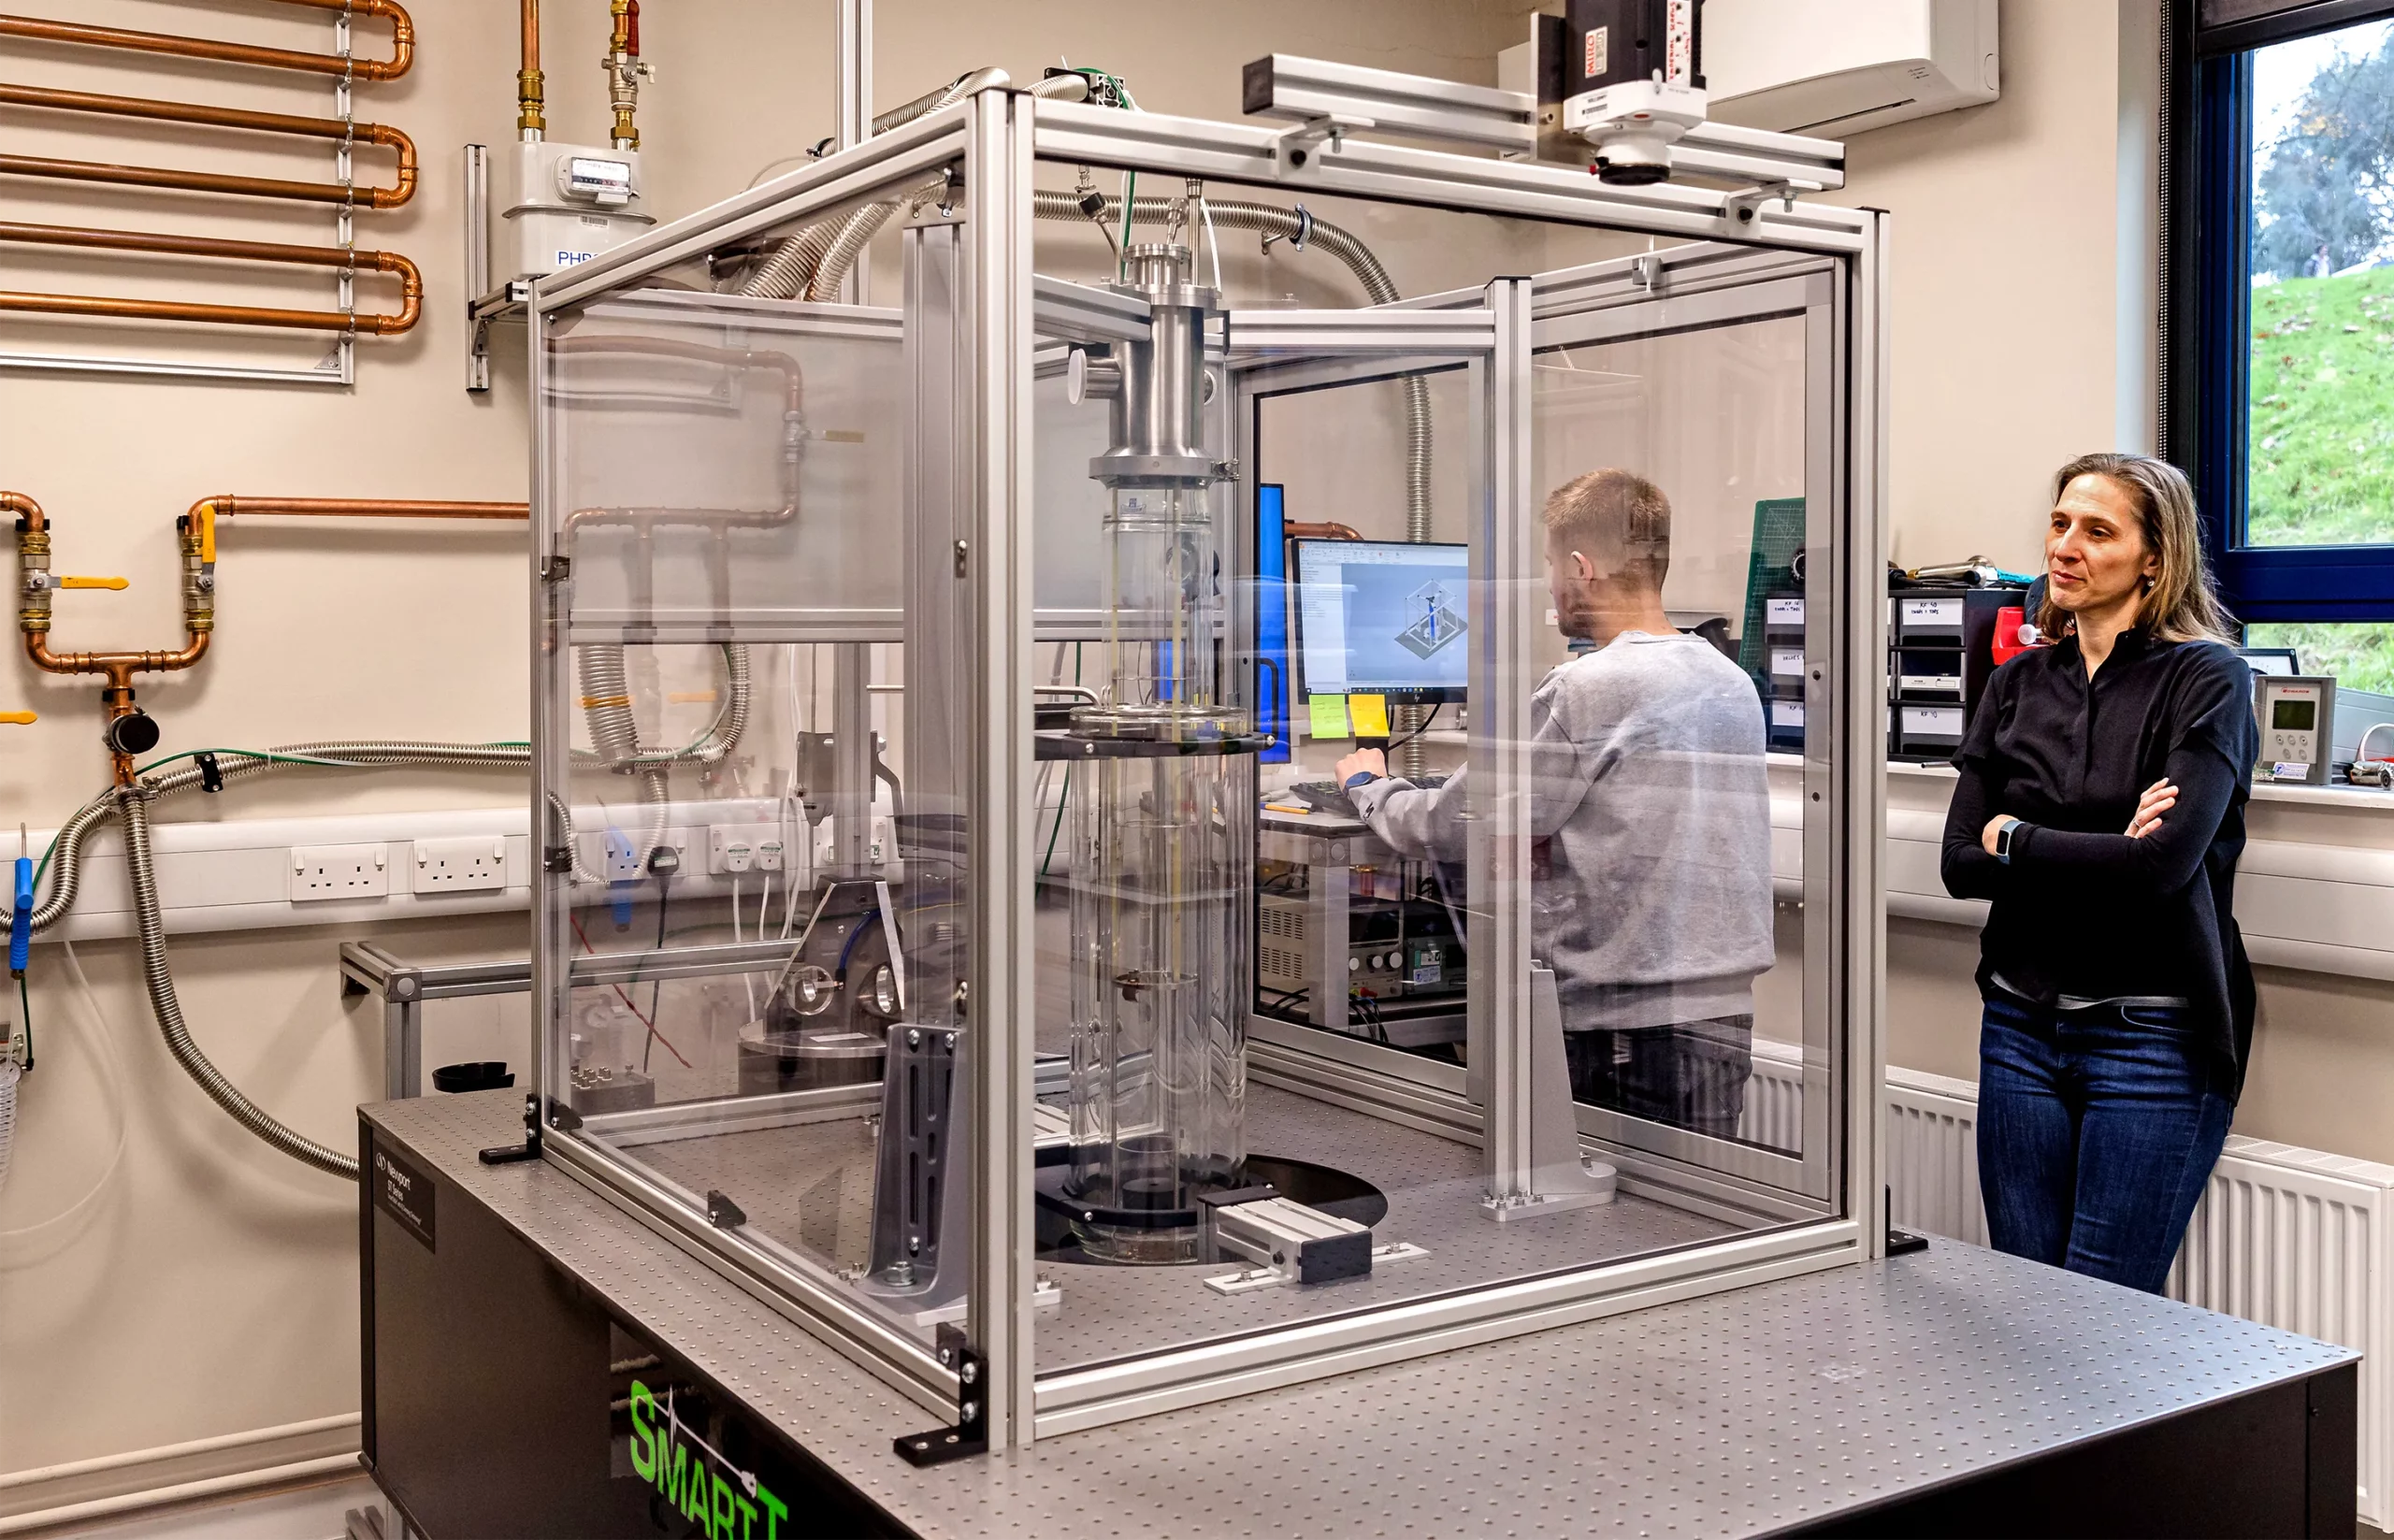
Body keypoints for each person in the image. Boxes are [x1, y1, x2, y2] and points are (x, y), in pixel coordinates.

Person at [1334, 468, 1776, 1138]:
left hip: (1621, 1029)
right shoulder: (1730, 681)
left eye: (1549, 563)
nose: (1549, 581)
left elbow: (1458, 825)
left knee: (1606, 1235)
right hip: (1719, 1021)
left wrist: (1371, 788)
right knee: (1689, 1227)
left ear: (1580, 565)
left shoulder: (1586, 688)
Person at [1940, 452, 2257, 1294]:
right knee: (2025, 1301)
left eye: (2097, 530)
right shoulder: (2014, 684)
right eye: (2059, 523)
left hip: (2151, 1035)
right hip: (2019, 1024)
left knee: (2106, 1320)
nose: (2065, 547)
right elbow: (1959, 862)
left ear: (2155, 558)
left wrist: (2021, 838)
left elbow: (2160, 866)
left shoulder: (2209, 678)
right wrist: (2096, 843)